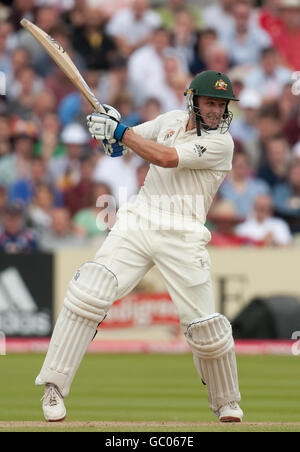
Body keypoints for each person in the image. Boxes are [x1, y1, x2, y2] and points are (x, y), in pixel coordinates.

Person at [36, 70, 243, 423]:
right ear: (193, 100)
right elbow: (122, 146)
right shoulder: (171, 120)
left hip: (184, 231)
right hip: (140, 219)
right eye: (210, 102)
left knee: (206, 326)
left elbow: (163, 157)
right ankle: (53, 386)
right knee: (90, 289)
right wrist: (109, 128)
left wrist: (121, 130)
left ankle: (226, 401)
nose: (215, 111)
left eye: (221, 105)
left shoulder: (223, 143)